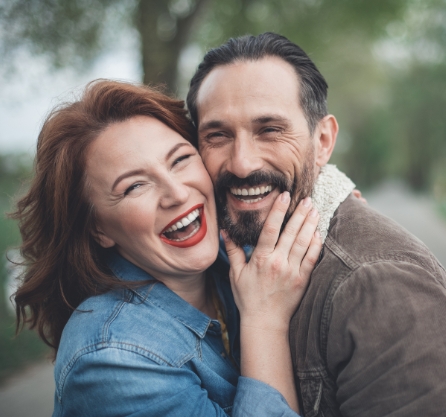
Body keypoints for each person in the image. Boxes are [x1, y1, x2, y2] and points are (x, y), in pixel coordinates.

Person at [13, 80, 322, 417]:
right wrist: (264, 321)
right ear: (98, 229)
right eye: (134, 186)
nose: (177, 193)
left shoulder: (231, 253)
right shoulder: (113, 359)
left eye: (179, 160)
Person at [186, 32, 446, 417]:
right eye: (217, 135)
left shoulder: (379, 283)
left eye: (269, 130)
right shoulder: (226, 252)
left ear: (322, 140)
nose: (241, 163)